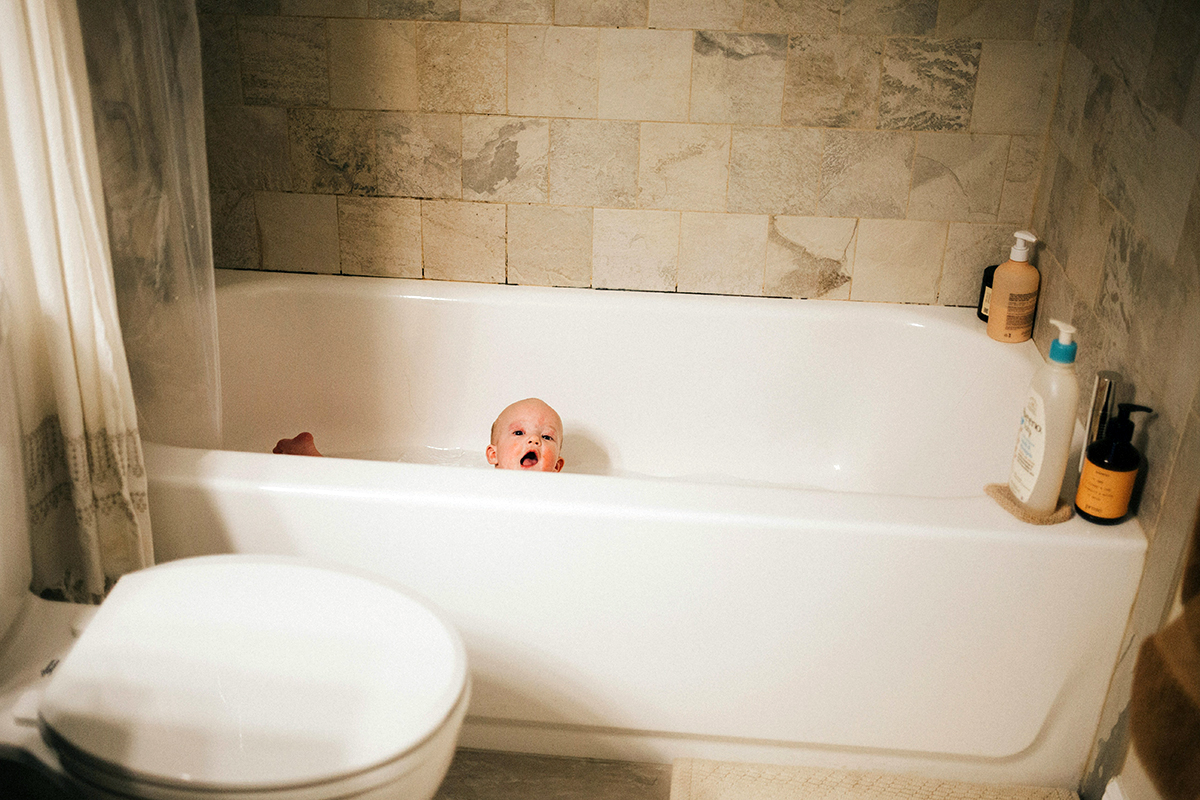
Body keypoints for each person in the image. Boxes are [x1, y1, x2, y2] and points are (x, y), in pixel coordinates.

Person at [273, 397, 565, 473]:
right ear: (493, 455)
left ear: (558, 467)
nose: (534, 440)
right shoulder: (485, 481)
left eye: (547, 438)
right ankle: (310, 460)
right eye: (518, 432)